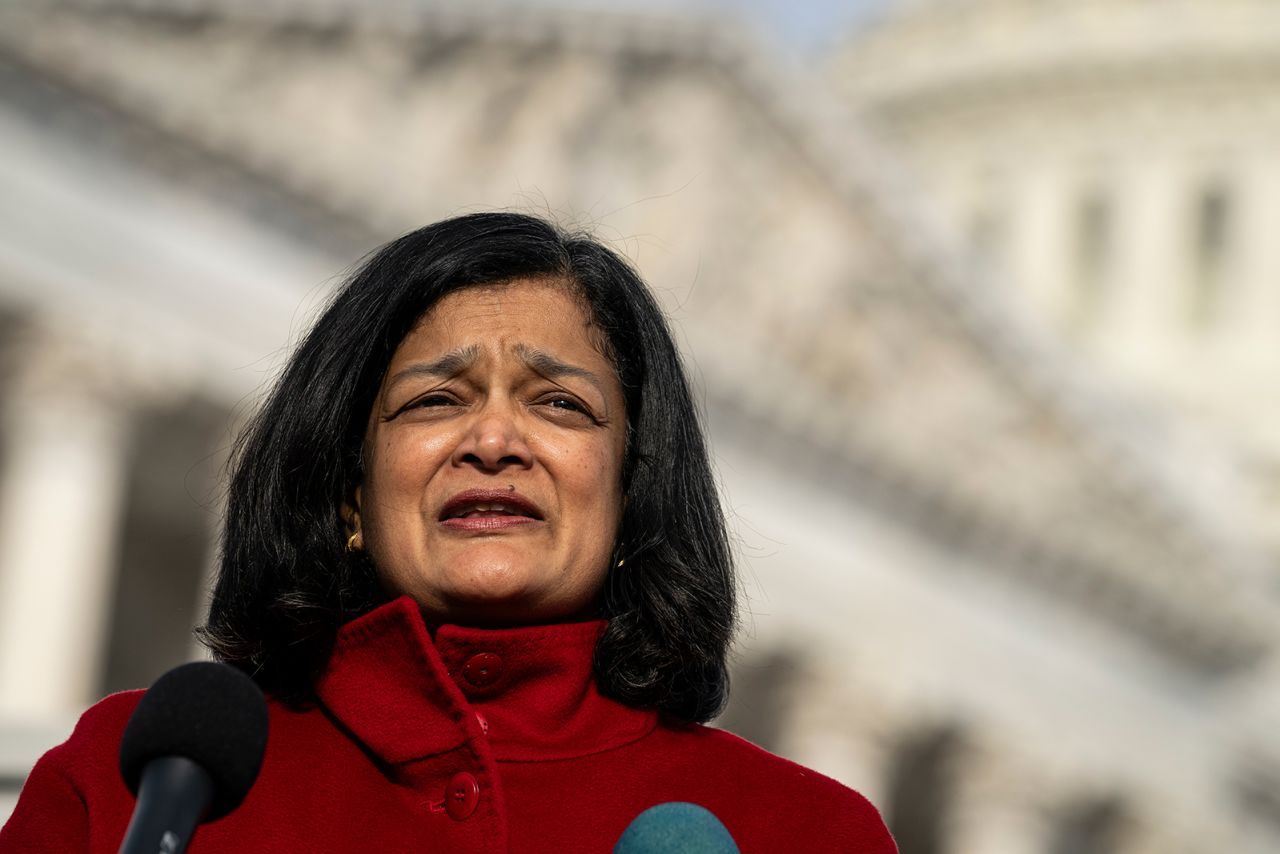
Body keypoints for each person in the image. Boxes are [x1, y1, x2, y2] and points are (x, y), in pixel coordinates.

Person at [0, 213, 897, 852]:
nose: (495, 441)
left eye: (560, 404)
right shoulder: (140, 779)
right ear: (348, 491)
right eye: (435, 399)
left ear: (634, 492)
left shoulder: (803, 833)